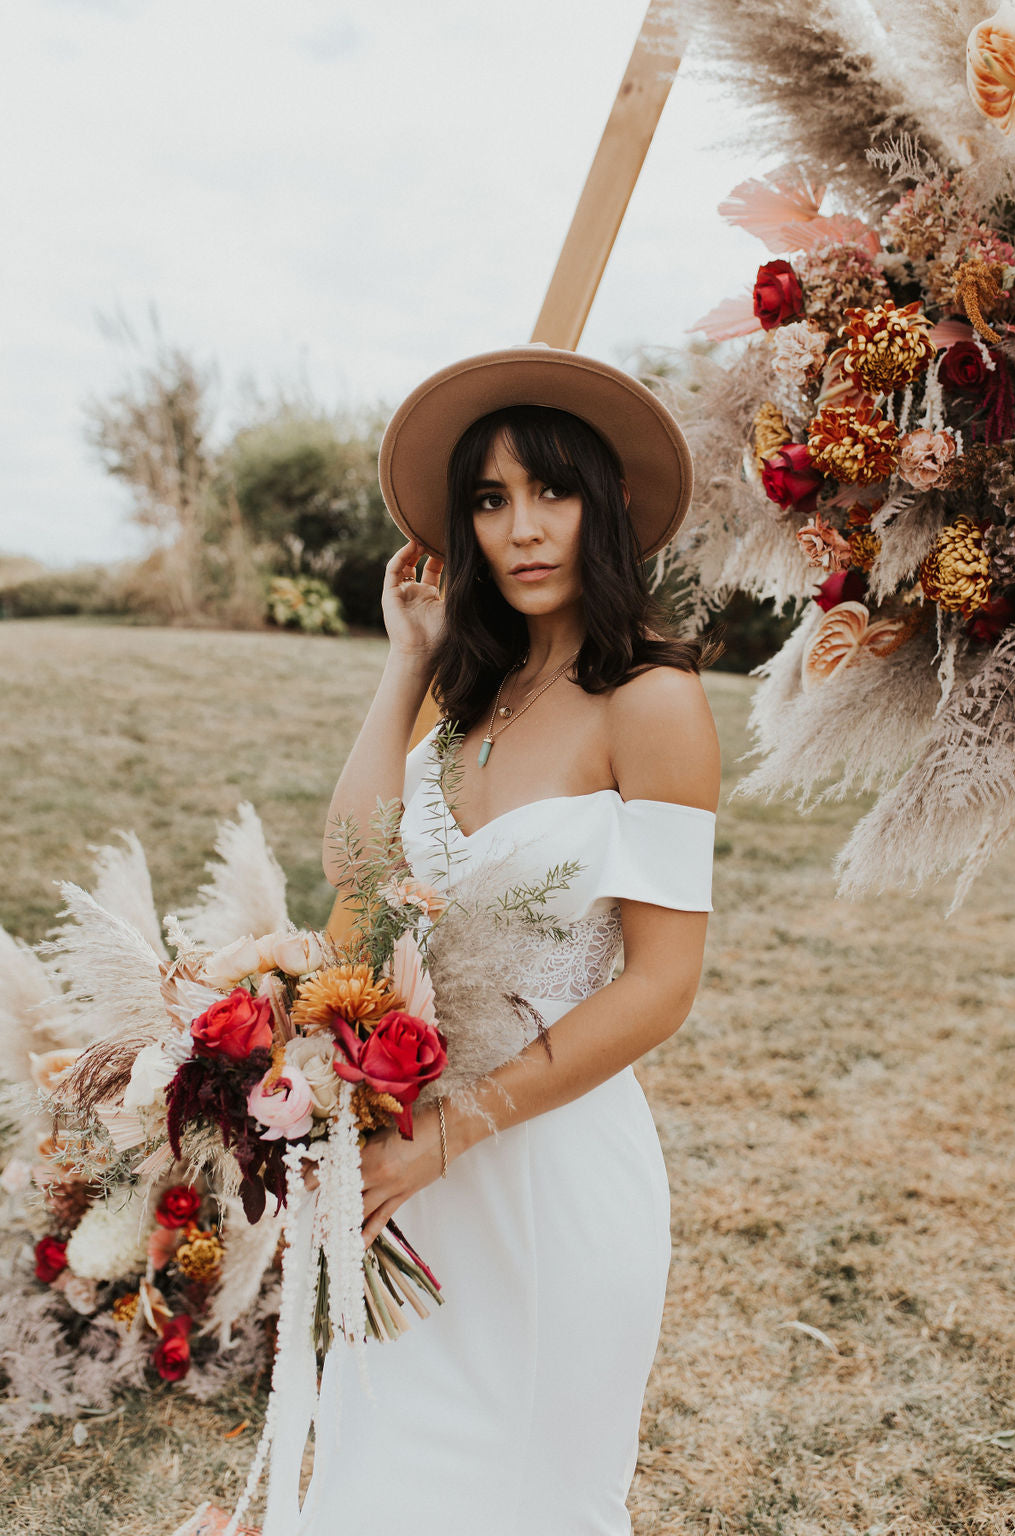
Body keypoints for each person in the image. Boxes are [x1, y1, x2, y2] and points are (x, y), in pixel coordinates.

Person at [300, 345, 720, 1535]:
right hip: (417, 1185)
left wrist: (448, 1137)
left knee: (529, 1501)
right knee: (376, 1489)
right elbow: (356, 874)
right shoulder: (467, 699)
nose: (521, 528)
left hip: (546, 1179)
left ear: (609, 506)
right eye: (488, 500)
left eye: (551, 490)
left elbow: (661, 986)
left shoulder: (654, 702)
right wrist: (407, 668)